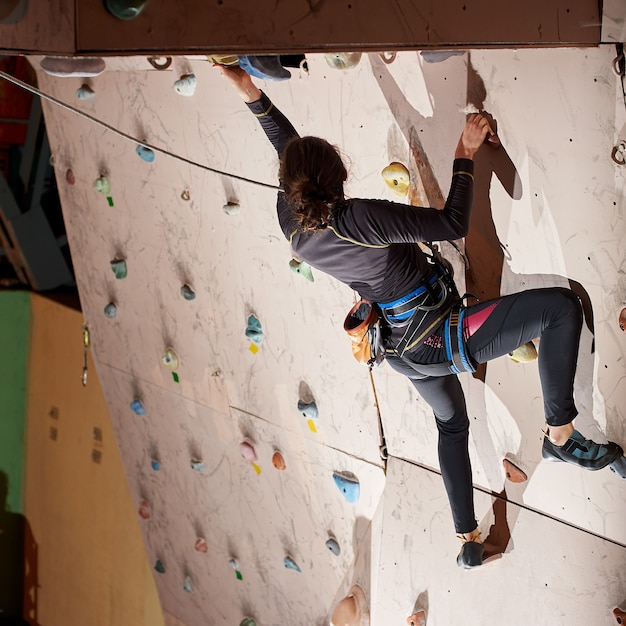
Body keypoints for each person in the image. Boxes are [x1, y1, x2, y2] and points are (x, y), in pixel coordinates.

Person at [218, 65, 624, 569]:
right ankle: (560, 437)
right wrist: (465, 151)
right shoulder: (356, 219)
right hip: (439, 335)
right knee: (560, 310)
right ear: (339, 178)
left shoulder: (294, 225)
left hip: (403, 350)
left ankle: (467, 539)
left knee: (451, 424)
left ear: (295, 189)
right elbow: (452, 221)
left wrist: (252, 94)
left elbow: (290, 154)